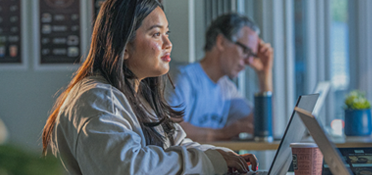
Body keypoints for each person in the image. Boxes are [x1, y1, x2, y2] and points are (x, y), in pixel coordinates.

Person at [41, 0, 258, 174]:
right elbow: (130, 169)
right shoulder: (97, 98)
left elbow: (179, 142)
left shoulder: (138, 97)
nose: (168, 43)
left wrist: (223, 157)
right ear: (124, 46)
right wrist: (211, 162)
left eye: (167, 33)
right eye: (156, 34)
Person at [166, 13, 274, 142]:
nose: (249, 61)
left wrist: (264, 75)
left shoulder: (227, 89)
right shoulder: (184, 78)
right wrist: (223, 133)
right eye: (245, 51)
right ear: (221, 42)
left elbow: (263, 129)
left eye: (252, 55)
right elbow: (170, 129)